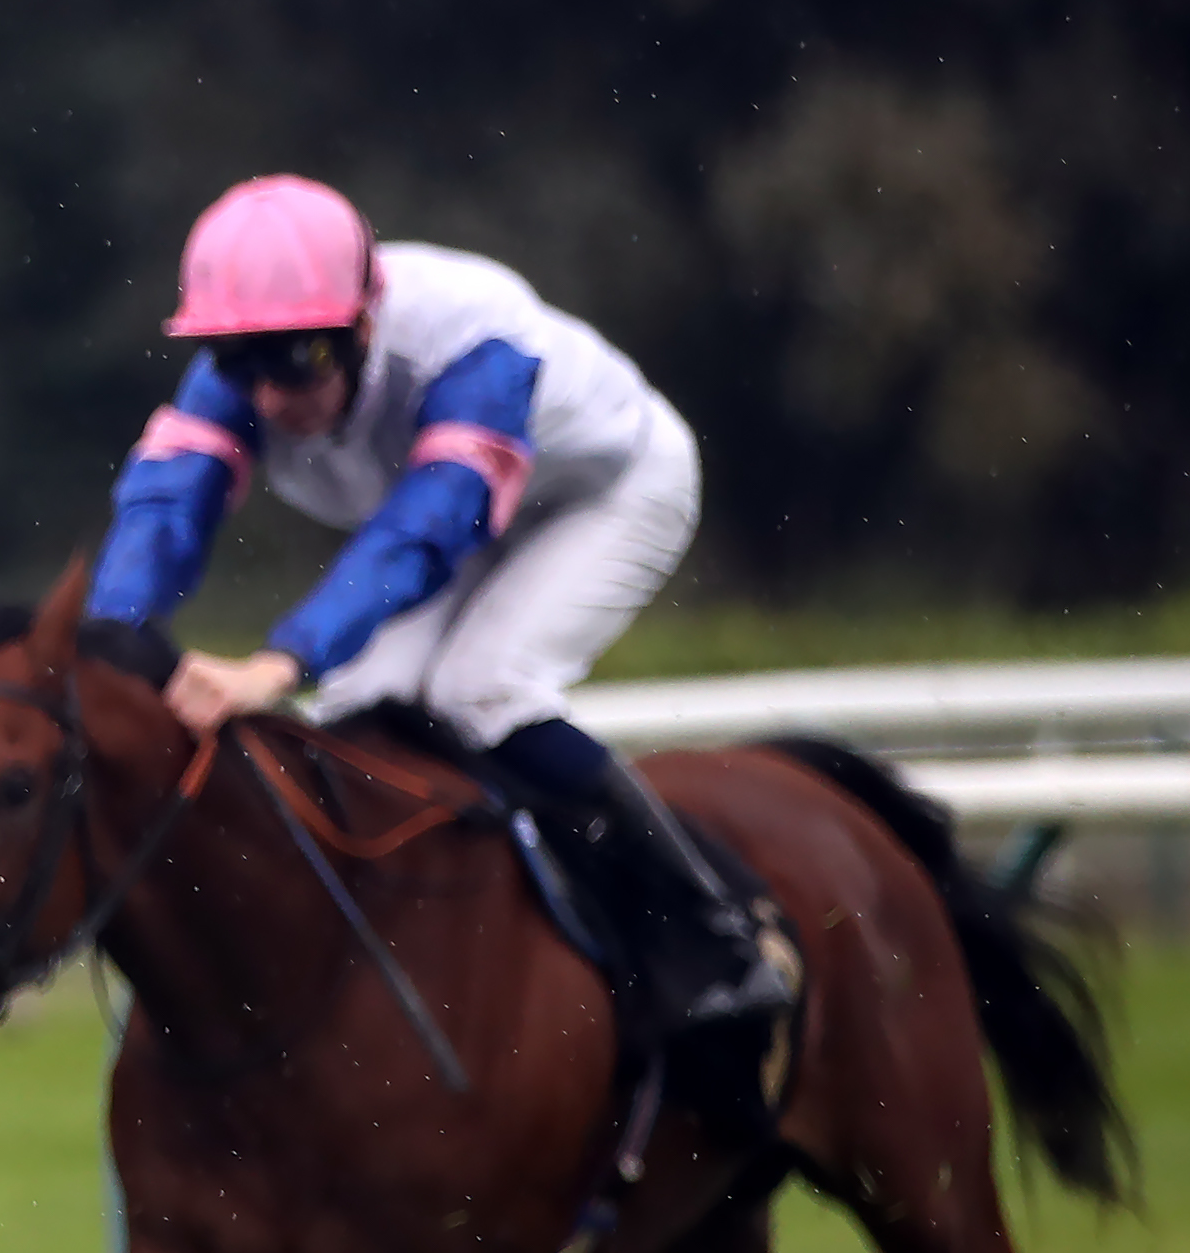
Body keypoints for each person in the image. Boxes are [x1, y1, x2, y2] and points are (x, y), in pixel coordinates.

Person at [84, 174, 792, 1037]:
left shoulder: (469, 340)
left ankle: (720, 929)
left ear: (363, 324)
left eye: (297, 361)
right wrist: (104, 643)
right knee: (355, 718)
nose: (268, 395)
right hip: (455, 521)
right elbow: (166, 505)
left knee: (482, 691)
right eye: (240, 366)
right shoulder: (256, 359)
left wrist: (283, 658)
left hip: (603, 495)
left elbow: (431, 524)